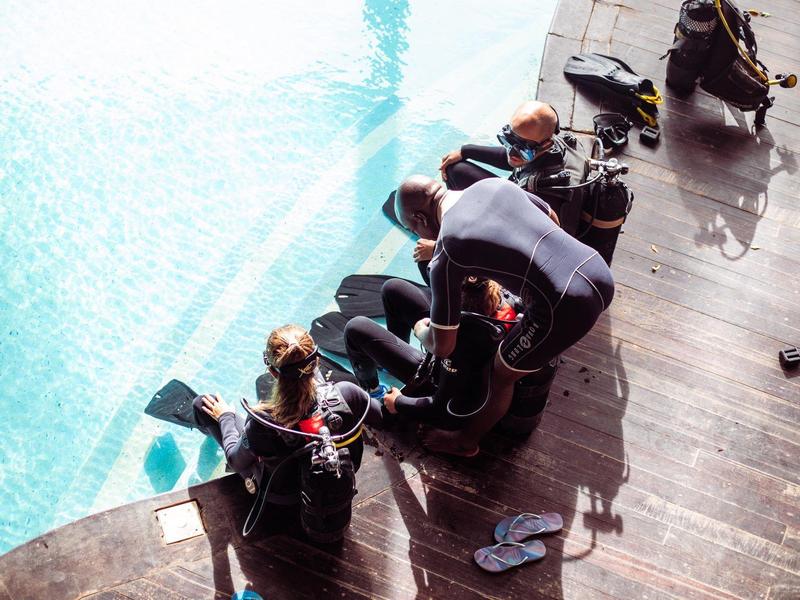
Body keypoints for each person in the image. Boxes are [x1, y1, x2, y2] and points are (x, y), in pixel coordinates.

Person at [394, 175, 614, 456]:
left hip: (564, 306)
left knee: (499, 375)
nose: (419, 236)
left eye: (412, 229)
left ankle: (465, 442)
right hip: (595, 268)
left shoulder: (448, 249)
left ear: (420, 218)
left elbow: (443, 345)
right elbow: (551, 217)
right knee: (524, 348)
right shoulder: (492, 184)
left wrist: (419, 329)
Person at [192, 324, 368, 502]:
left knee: (202, 404)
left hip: (286, 499)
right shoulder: (347, 393)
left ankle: (214, 430)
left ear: (273, 372)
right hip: (341, 479)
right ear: (317, 361)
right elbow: (380, 416)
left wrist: (226, 417)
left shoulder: (265, 421)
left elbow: (235, 460)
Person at [343, 276, 519, 424]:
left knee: (355, 329)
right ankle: (390, 358)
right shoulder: (501, 296)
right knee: (393, 289)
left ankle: (373, 391)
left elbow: (443, 408)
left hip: (440, 378)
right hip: (460, 346)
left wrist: (399, 403)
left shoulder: (464, 345)